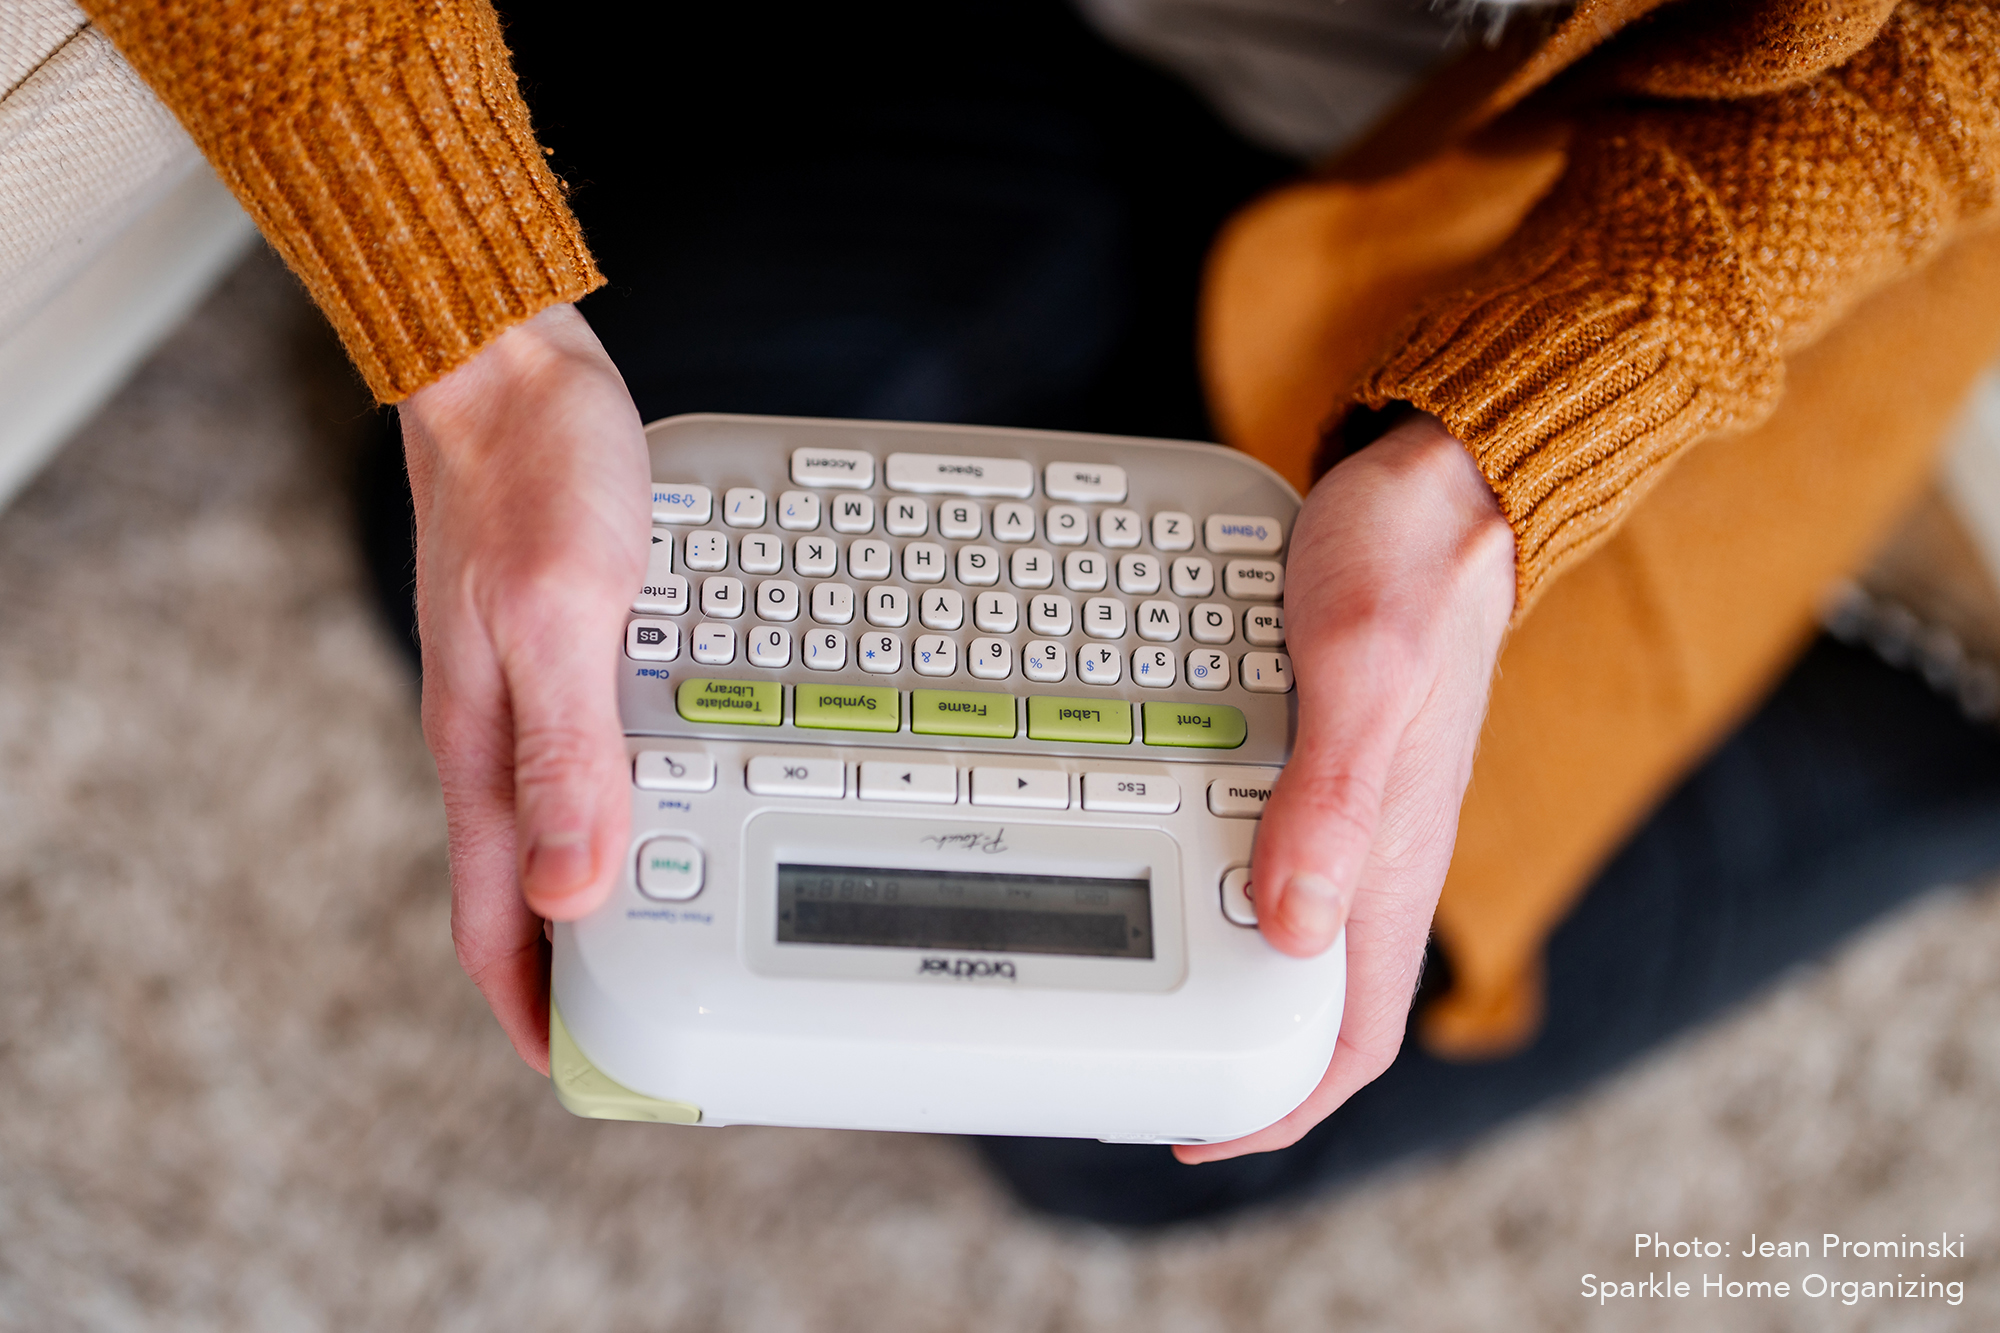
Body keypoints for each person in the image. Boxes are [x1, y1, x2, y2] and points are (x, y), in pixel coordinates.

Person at [77, 0, 2000, 1222]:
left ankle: (1924, 764)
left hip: (1607, 203)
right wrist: (481, 353)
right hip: (1066, 43)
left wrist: (1506, 453)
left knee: (1143, 1134)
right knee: (500, 571)